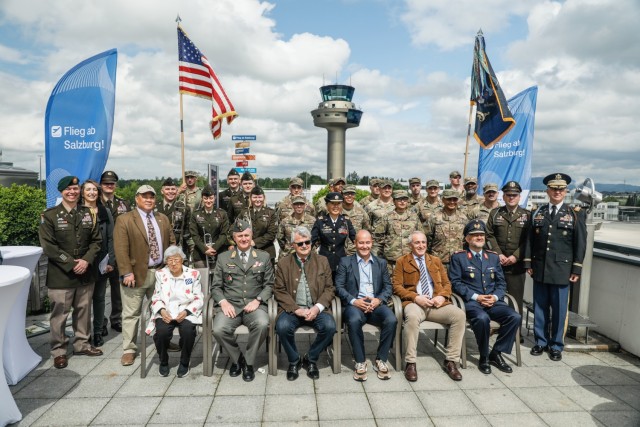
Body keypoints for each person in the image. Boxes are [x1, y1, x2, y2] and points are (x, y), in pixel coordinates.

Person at [39, 176, 103, 369]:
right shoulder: (49, 216)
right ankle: (59, 351)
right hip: (61, 275)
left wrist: (86, 261)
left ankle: (82, 343)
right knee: (60, 314)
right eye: (68, 189)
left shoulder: (88, 213)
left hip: (85, 271)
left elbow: (96, 241)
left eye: (75, 188)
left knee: (84, 310)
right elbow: (49, 247)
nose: (72, 192)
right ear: (61, 192)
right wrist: (71, 263)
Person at [524, 173, 586, 362]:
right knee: (540, 307)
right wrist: (528, 263)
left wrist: (576, 269)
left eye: (561, 189)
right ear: (547, 191)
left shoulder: (575, 213)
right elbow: (529, 240)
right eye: (554, 189)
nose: (557, 192)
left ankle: (556, 345)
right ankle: (541, 342)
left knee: (559, 310)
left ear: (566, 191)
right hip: (540, 267)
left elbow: (580, 243)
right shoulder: (538, 212)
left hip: (562, 270)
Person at [114, 185, 175, 366]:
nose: (149, 200)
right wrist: (126, 272)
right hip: (135, 275)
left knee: (160, 310)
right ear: (137, 198)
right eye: (144, 196)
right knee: (131, 313)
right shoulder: (124, 220)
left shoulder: (162, 218)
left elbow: (171, 243)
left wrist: (171, 268)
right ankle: (129, 349)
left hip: (159, 273)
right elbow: (120, 248)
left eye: (151, 197)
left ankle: (162, 341)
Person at [450, 219, 521, 374]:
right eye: (475, 235)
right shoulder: (459, 257)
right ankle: (484, 357)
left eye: (481, 234)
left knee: (514, 317)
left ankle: (496, 352)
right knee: (482, 319)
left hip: (493, 302)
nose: (479, 237)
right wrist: (477, 297)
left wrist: (495, 297)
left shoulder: (493, 257)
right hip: (472, 303)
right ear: (467, 239)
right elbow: (455, 283)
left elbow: (501, 283)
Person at [393, 231, 466, 382]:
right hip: (415, 303)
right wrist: (416, 297)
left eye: (423, 242)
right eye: (417, 242)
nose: (421, 245)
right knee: (412, 317)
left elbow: (447, 284)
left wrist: (442, 296)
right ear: (410, 245)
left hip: (436, 303)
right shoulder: (402, 261)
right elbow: (396, 286)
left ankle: (451, 361)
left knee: (459, 315)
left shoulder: (435, 260)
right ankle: (410, 363)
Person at [211, 219, 274, 382]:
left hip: (255, 305)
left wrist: (258, 300)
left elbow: (269, 284)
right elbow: (216, 286)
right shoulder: (224, 258)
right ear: (234, 237)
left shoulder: (263, 256)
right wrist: (223, 302)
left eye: (246, 235)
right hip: (230, 306)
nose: (244, 239)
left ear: (251, 235)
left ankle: (249, 362)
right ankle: (237, 358)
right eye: (240, 236)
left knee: (262, 325)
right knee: (218, 329)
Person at [274, 226, 336, 380]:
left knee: (330, 327)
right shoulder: (283, 263)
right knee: (282, 327)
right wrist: (296, 310)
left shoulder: (322, 261)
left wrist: (317, 308)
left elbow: (330, 288)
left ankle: (311, 358)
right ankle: (294, 360)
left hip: (316, 309)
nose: (304, 246)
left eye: (307, 242)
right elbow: (279, 290)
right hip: (293, 310)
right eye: (300, 243)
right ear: (292, 245)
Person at [335, 230, 398, 382]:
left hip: (375, 303)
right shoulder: (345, 262)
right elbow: (338, 286)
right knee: (354, 320)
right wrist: (354, 301)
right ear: (355, 244)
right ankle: (360, 361)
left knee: (391, 319)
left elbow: (388, 286)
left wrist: (378, 300)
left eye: (367, 242)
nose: (364, 246)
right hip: (355, 304)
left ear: (372, 243)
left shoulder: (381, 263)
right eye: (361, 242)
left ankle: (381, 359)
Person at [145, 246, 204, 378]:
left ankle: (184, 361)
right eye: (169, 260)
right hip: (166, 310)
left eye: (176, 259)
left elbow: (199, 298)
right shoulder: (161, 274)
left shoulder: (193, 274)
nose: (173, 263)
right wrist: (162, 310)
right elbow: (156, 296)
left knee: (188, 331)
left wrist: (187, 312)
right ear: (166, 261)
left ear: (182, 260)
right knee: (161, 333)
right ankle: (163, 360)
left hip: (186, 310)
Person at [486, 181, 530, 317]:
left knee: (515, 301)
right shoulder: (495, 213)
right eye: (508, 195)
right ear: (503, 197)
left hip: (516, 266)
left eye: (514, 195)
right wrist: (498, 254)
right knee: (494, 298)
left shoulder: (527, 215)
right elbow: (489, 235)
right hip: (496, 264)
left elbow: (529, 240)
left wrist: (516, 256)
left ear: (519, 197)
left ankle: (516, 334)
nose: (511, 197)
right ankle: (495, 328)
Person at [80, 179, 115, 348]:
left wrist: (111, 261)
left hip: (102, 261)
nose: (92, 192)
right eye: (88, 190)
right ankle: (83, 334)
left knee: (100, 298)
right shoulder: (77, 211)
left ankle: (98, 331)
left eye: (94, 189)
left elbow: (111, 238)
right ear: (82, 192)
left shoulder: (105, 211)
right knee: (83, 301)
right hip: (84, 262)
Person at [99, 170, 130, 334]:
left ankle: (116, 319)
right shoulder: (95, 203)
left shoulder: (123, 204)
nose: (109, 186)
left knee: (118, 290)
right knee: (100, 291)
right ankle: (101, 322)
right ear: (101, 185)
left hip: (119, 252)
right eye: (106, 183)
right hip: (101, 253)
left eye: (112, 183)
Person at [372, 189, 422, 274]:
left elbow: (421, 237)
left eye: (405, 199)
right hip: (391, 262)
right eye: (399, 199)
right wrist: (378, 259)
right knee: (392, 285)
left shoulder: (414, 217)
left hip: (410, 260)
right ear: (394, 201)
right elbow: (378, 240)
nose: (402, 202)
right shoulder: (387, 217)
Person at [426, 189, 475, 268]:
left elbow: (467, 240)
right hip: (438, 261)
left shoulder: (463, 218)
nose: (452, 202)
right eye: (449, 199)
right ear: (443, 200)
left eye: (455, 199)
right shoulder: (434, 217)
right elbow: (428, 238)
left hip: (458, 262)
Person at [311, 192, 356, 279]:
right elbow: (311, 241)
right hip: (324, 260)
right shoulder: (320, 221)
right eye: (332, 203)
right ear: (327, 205)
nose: (336, 206)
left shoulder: (346, 221)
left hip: (341, 260)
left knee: (340, 286)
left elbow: (355, 239)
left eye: (338, 203)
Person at [190, 185, 229, 269]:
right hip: (200, 253)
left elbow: (224, 234)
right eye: (206, 198)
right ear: (202, 199)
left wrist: (214, 248)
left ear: (214, 198)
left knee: (217, 280)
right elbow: (194, 235)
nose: (208, 201)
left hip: (218, 251)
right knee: (202, 280)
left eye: (211, 198)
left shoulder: (222, 214)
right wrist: (205, 249)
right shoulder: (195, 215)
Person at [236, 186, 278, 264]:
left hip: (266, 251)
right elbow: (234, 229)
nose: (257, 200)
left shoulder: (271, 213)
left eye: (260, 197)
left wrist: (254, 242)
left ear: (264, 198)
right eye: (255, 197)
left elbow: (271, 234)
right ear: (251, 198)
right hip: (248, 253)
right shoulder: (244, 212)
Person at [155, 178, 190, 255]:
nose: (170, 191)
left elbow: (187, 230)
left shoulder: (183, 208)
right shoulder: (154, 207)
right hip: (158, 247)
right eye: (167, 189)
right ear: (162, 191)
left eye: (173, 189)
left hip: (177, 248)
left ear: (177, 191)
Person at [277, 196, 316, 260]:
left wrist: (309, 247)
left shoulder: (313, 221)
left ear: (305, 205)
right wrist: (288, 247)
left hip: (308, 255)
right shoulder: (285, 221)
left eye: (301, 204)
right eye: (296, 204)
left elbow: (317, 238)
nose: (299, 206)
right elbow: (280, 238)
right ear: (292, 206)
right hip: (289, 255)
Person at [341, 185, 371, 256]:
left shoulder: (361, 212)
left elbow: (367, 231)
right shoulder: (336, 211)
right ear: (342, 195)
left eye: (352, 194)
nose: (349, 196)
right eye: (346, 194)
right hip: (339, 251)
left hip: (356, 251)